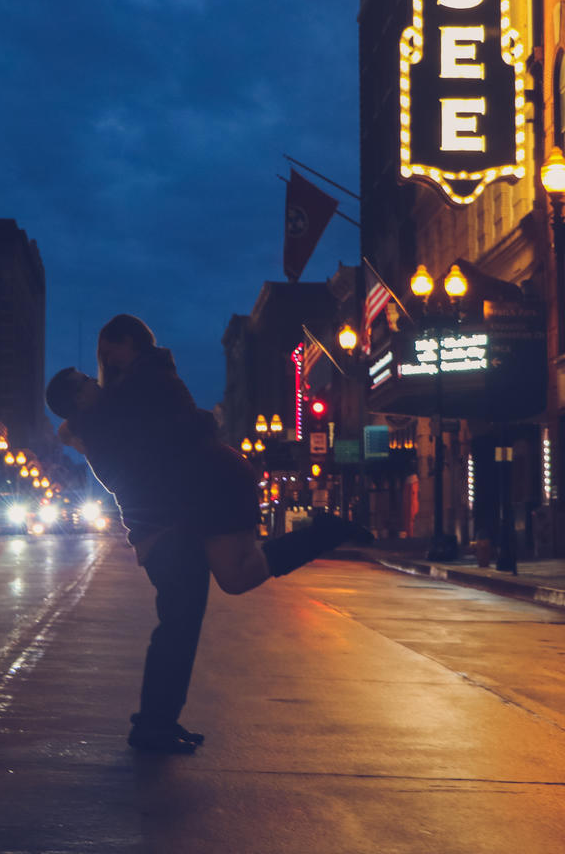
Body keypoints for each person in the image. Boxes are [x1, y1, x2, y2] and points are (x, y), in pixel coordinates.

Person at [54, 314, 365, 755]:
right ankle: (155, 723)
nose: (98, 374)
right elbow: (149, 450)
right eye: (86, 380)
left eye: (102, 361)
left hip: (201, 501)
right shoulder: (121, 406)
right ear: (77, 402)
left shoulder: (140, 388)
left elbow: (167, 443)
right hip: (184, 513)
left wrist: (78, 423)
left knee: (190, 616)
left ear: (130, 347)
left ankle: (156, 723)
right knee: (208, 601)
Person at [48, 366, 365, 593]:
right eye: (86, 382)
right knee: (237, 574)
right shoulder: (106, 426)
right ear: (78, 399)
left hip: (216, 483)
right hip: (212, 487)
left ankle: (325, 533)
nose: (94, 381)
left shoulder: (111, 417)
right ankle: (325, 533)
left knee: (236, 576)